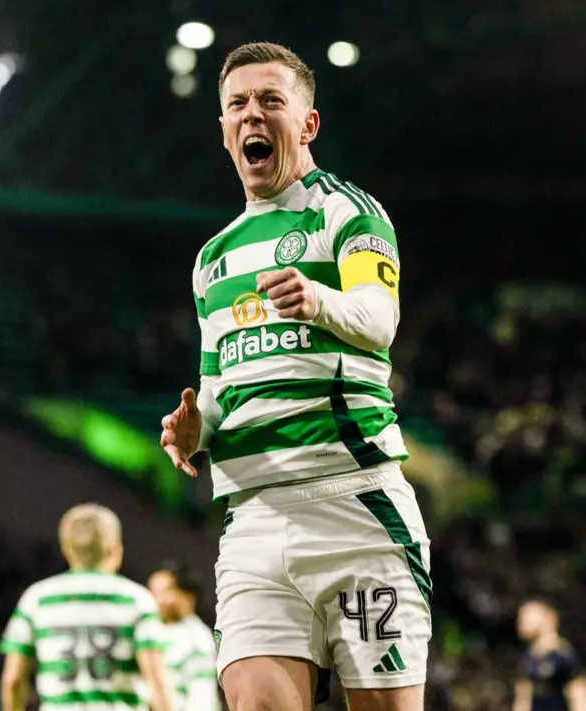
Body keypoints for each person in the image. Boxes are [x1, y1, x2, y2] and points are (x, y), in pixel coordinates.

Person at [160, 41, 432, 711]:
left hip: (356, 509)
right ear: (224, 130)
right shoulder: (213, 260)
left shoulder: (348, 213)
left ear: (307, 124)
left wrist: (318, 299)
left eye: (271, 101)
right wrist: (197, 429)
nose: (253, 114)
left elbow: (377, 317)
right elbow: (218, 387)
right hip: (255, 520)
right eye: (238, 105)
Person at [0, 504, 174, 711]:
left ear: (66, 549)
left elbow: (14, 679)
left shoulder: (37, 599)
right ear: (115, 549)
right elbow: (156, 679)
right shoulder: (137, 600)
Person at [148, 561, 221, 711]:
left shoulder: (197, 639)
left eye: (166, 592)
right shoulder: (148, 630)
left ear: (188, 597)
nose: (157, 599)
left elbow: (202, 700)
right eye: (152, 591)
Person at [514, 598, 586, 711]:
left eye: (527, 615)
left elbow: (580, 698)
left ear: (547, 618)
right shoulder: (527, 658)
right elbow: (523, 699)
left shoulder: (563, 656)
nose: (521, 620)